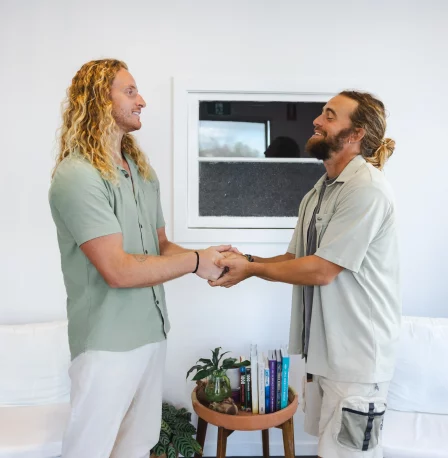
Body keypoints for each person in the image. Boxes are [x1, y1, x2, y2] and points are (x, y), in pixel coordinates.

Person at [49, 59, 229, 458]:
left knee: (136, 446)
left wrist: (210, 261)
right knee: (89, 451)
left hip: (152, 333)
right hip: (107, 344)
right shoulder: (78, 175)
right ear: (99, 99)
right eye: (129, 91)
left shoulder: (140, 171)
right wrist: (196, 261)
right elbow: (117, 269)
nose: (142, 100)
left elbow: (162, 246)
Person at [213, 91, 401, 458]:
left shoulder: (367, 190)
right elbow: (295, 258)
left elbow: (322, 270)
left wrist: (251, 269)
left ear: (355, 134)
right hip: (325, 353)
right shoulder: (318, 193)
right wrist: (247, 261)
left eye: (329, 115)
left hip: (358, 361)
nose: (317, 121)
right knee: (327, 450)